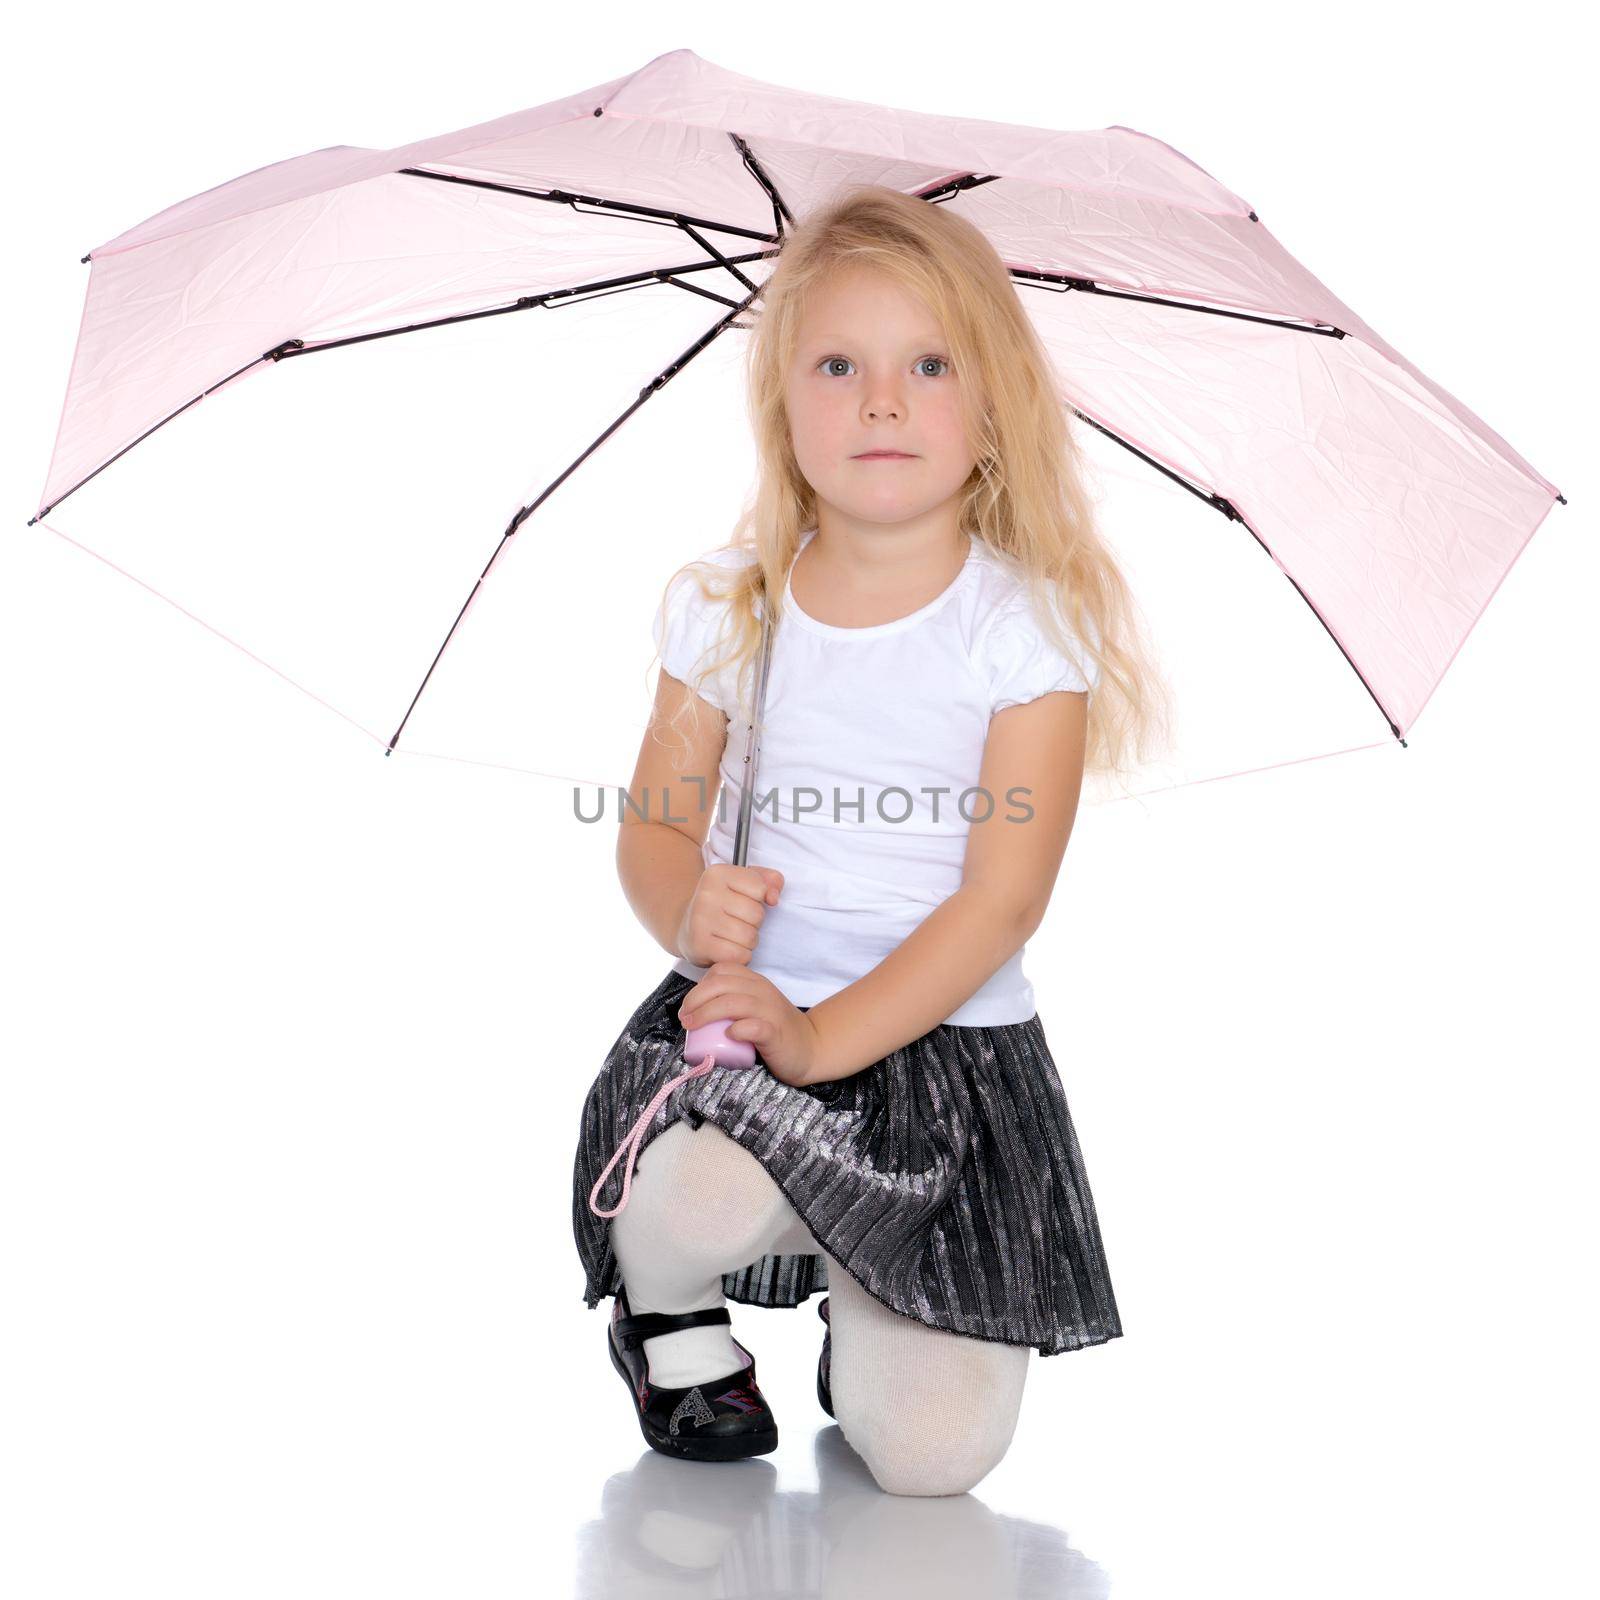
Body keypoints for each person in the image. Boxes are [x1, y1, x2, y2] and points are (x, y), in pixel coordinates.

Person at [571, 183, 1165, 1497]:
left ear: (996, 408)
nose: (880, 401)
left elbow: (999, 906)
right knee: (688, 1205)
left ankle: (870, 1294)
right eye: (838, 364)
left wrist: (828, 1039)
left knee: (932, 1465)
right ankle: (671, 1326)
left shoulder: (1026, 632)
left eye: (929, 365)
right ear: (784, 405)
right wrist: (688, 911)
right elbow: (656, 830)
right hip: (751, 1025)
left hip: (942, 1058)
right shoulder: (732, 612)